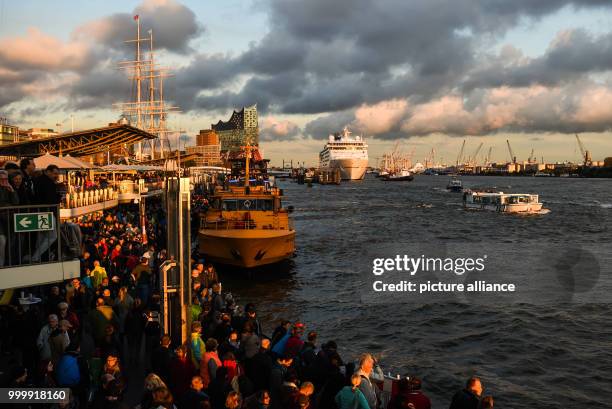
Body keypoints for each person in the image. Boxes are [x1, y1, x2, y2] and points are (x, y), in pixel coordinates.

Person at [0, 170, 18, 266]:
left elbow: (16, 202)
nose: (4, 181)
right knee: (2, 240)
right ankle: (1, 264)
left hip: (9, 218)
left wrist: (12, 191)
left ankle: (9, 263)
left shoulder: (9, 188)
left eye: (5, 179)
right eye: (1, 179)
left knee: (11, 241)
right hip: (2, 218)